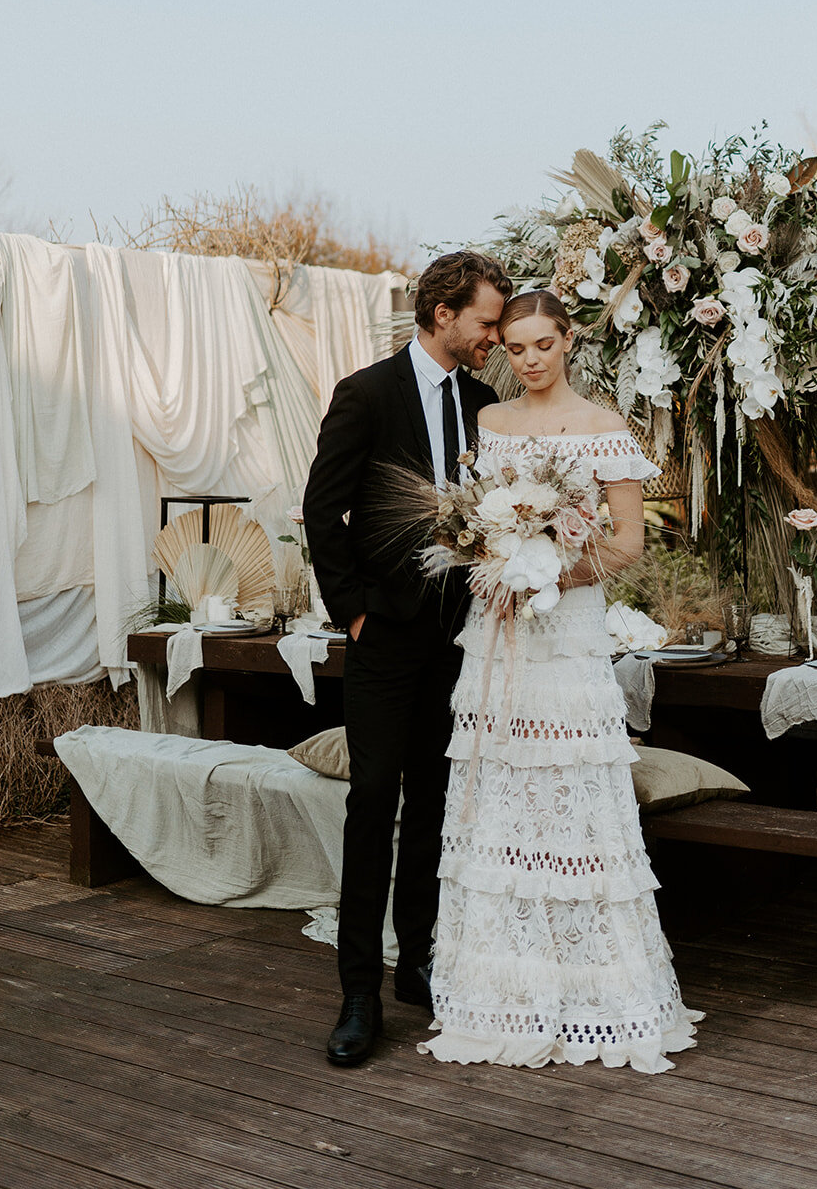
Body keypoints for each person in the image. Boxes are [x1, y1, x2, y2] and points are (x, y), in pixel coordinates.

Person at [419, 289, 702, 1074]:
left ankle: (594, 994)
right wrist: (495, 562)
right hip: (497, 632)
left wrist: (549, 572)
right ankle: (502, 989)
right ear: (504, 350)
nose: (531, 359)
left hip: (564, 629)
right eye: (516, 347)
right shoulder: (489, 426)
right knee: (502, 790)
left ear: (568, 339)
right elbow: (468, 523)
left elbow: (629, 544)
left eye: (543, 343)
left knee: (571, 793)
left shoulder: (603, 428)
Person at [303, 250, 512, 1067]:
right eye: (486, 322)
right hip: (383, 637)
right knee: (371, 802)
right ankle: (358, 991)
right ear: (441, 314)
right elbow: (324, 512)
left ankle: (417, 962)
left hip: (462, 640)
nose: (493, 338)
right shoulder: (365, 394)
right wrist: (352, 611)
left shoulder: (486, 404)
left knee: (435, 801)